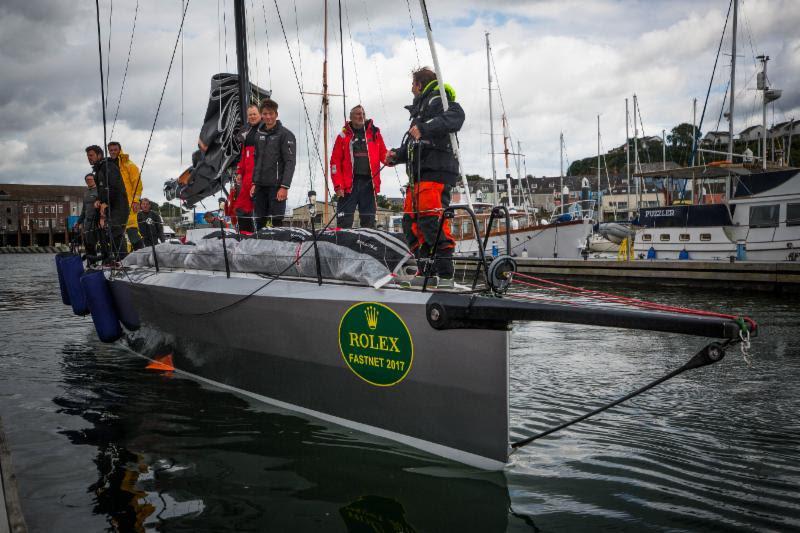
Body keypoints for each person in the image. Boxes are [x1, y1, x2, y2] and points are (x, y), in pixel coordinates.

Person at [386, 67, 465, 283]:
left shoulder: (438, 99)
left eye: (412, 85)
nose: (411, 89)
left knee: (431, 222)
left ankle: (445, 275)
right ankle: (425, 270)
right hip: (418, 177)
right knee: (410, 224)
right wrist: (396, 155)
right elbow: (414, 145)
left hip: (435, 174)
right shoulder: (420, 111)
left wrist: (426, 127)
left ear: (419, 85)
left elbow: (457, 116)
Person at [330, 105, 388, 229]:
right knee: (344, 221)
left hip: (369, 184)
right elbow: (335, 163)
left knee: (369, 222)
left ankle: (367, 246)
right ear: (351, 117)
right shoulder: (342, 136)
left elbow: (384, 155)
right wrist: (338, 185)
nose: (361, 116)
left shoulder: (375, 134)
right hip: (348, 186)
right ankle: (341, 245)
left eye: (363, 114)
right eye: (357, 114)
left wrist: (395, 157)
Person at [250, 99, 296, 228]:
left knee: (277, 222)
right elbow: (257, 160)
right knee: (259, 222)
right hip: (260, 186)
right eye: (265, 114)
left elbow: (290, 162)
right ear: (261, 115)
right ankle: (259, 246)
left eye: (271, 113)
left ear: (276, 114)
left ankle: (279, 246)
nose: (268, 117)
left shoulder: (286, 135)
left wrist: (284, 187)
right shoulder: (259, 135)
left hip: (277, 187)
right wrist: (254, 182)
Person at [86, 145, 130, 262]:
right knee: (103, 231)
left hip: (119, 206)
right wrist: (99, 200)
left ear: (99, 155)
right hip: (110, 207)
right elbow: (102, 190)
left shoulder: (108, 166)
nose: (89, 158)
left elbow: (114, 187)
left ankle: (123, 260)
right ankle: (108, 258)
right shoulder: (98, 170)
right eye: (88, 156)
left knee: (115, 232)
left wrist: (106, 202)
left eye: (91, 155)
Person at [229, 103, 260, 232]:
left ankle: (260, 236)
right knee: (241, 208)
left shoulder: (264, 130)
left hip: (258, 178)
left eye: (254, 114)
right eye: (250, 115)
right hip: (246, 178)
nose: (252, 117)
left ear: (260, 115)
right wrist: (239, 172)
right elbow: (243, 156)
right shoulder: (246, 132)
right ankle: (245, 237)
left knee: (259, 209)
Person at [107, 141, 144, 250]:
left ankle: (141, 253)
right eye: (111, 150)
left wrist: (136, 201)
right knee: (116, 232)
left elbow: (137, 183)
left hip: (129, 203)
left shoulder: (129, 165)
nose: (113, 152)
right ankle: (121, 259)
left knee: (132, 229)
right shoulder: (108, 166)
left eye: (115, 149)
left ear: (120, 150)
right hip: (115, 206)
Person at [75, 173, 100, 260]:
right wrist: (78, 222)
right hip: (87, 222)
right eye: (87, 180)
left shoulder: (99, 191)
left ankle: (104, 262)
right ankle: (91, 263)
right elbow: (83, 210)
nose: (89, 181)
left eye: (90, 179)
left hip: (97, 221)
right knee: (88, 244)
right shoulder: (86, 193)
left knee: (102, 243)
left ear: (94, 180)